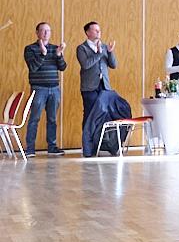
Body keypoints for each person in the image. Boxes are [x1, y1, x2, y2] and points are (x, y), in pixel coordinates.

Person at [23, 22, 67, 156]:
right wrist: (42, 54)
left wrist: (59, 55)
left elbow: (63, 67)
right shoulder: (30, 49)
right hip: (39, 89)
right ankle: (30, 149)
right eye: (43, 31)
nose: (46, 33)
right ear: (37, 33)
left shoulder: (55, 48)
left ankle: (52, 147)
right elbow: (33, 67)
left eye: (48, 30)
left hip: (54, 89)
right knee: (34, 119)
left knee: (52, 119)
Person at [76, 21, 117, 129]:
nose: (98, 32)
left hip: (104, 86)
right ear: (87, 32)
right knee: (90, 114)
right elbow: (85, 64)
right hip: (89, 87)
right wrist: (98, 54)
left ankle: (102, 143)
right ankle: (87, 143)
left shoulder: (104, 46)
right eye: (95, 30)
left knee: (105, 114)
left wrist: (109, 52)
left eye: (99, 30)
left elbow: (113, 65)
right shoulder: (82, 48)